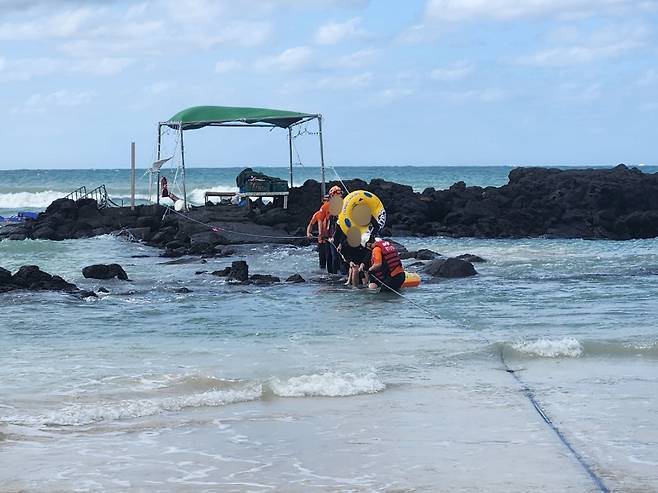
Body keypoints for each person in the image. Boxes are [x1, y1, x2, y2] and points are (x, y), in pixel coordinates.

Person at [325, 185, 348, 275]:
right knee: (332, 258)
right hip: (332, 235)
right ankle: (333, 275)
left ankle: (341, 274)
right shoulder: (330, 207)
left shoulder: (343, 206)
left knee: (341, 257)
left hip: (341, 235)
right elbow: (329, 223)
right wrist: (327, 236)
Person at [306, 195, 330, 269]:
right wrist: (308, 233)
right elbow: (310, 224)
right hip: (321, 240)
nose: (327, 203)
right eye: (326, 201)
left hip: (329, 239)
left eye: (328, 201)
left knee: (330, 258)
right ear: (323, 201)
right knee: (322, 259)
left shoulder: (331, 213)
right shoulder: (317, 214)